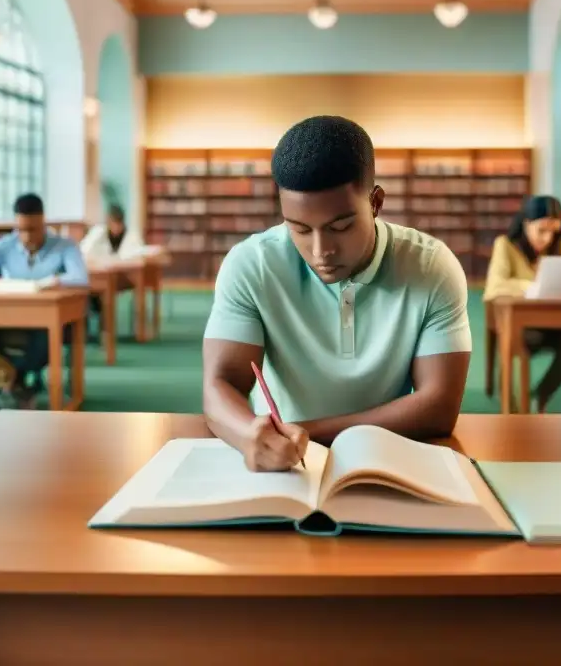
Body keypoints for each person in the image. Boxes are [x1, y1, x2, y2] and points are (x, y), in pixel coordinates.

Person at [202, 115, 472, 472]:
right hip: (281, 466)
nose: (320, 251)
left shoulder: (432, 267)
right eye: (299, 228)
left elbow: (438, 408)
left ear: (375, 203)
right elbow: (219, 385)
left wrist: (304, 433)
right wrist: (247, 433)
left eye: (341, 227)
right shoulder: (251, 264)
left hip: (386, 458)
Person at [0, 193, 89, 409]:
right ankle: (11, 378)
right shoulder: (5, 245)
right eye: (21, 230)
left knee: (43, 342)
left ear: (43, 222)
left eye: (33, 230)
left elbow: (80, 278)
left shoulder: (64, 245)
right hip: (5, 316)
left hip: (45, 322)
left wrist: (54, 281)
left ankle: (15, 383)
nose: (27, 236)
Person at [482, 195, 561, 412]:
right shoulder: (505, 246)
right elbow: (495, 285)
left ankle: (540, 395)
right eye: (541, 230)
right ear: (526, 223)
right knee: (516, 338)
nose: (547, 238)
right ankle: (508, 399)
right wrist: (533, 286)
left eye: (554, 231)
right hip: (521, 325)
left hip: (557, 324)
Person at [79, 204, 144, 335]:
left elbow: (138, 257)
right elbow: (83, 252)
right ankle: (90, 332)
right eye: (113, 223)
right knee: (88, 292)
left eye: (118, 224)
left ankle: (105, 331)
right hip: (99, 274)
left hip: (123, 277)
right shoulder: (98, 233)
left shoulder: (131, 235)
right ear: (108, 222)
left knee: (104, 294)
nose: (116, 228)